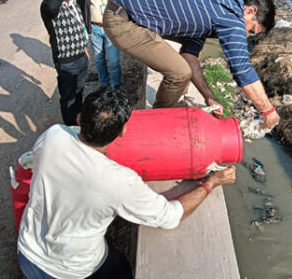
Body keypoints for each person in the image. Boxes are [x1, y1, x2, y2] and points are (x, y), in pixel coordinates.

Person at [17, 86, 236, 279]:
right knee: (120, 268)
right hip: (72, 271)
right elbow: (170, 216)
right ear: (122, 132)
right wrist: (212, 182)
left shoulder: (52, 136)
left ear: (79, 119)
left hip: (27, 252)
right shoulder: (119, 181)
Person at [103, 0, 280, 129]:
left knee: (183, 69)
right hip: (121, 19)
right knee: (179, 73)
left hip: (124, 0)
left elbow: (190, 57)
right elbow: (242, 69)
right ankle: (156, 123)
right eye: (252, 30)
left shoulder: (217, 7)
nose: (246, 35)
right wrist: (267, 110)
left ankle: (169, 111)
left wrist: (209, 96)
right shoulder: (232, 18)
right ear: (250, 10)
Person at [40, 0, 89, 126]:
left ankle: (78, 121)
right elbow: (52, 6)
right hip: (67, 62)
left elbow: (79, 26)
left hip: (81, 57)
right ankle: (70, 127)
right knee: (69, 98)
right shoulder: (49, 5)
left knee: (79, 92)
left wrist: (84, 48)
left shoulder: (72, 4)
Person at [77, 0, 128, 88]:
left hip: (111, 27)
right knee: (99, 60)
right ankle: (104, 86)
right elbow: (80, 8)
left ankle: (116, 87)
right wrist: (84, 29)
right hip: (94, 28)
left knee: (113, 61)